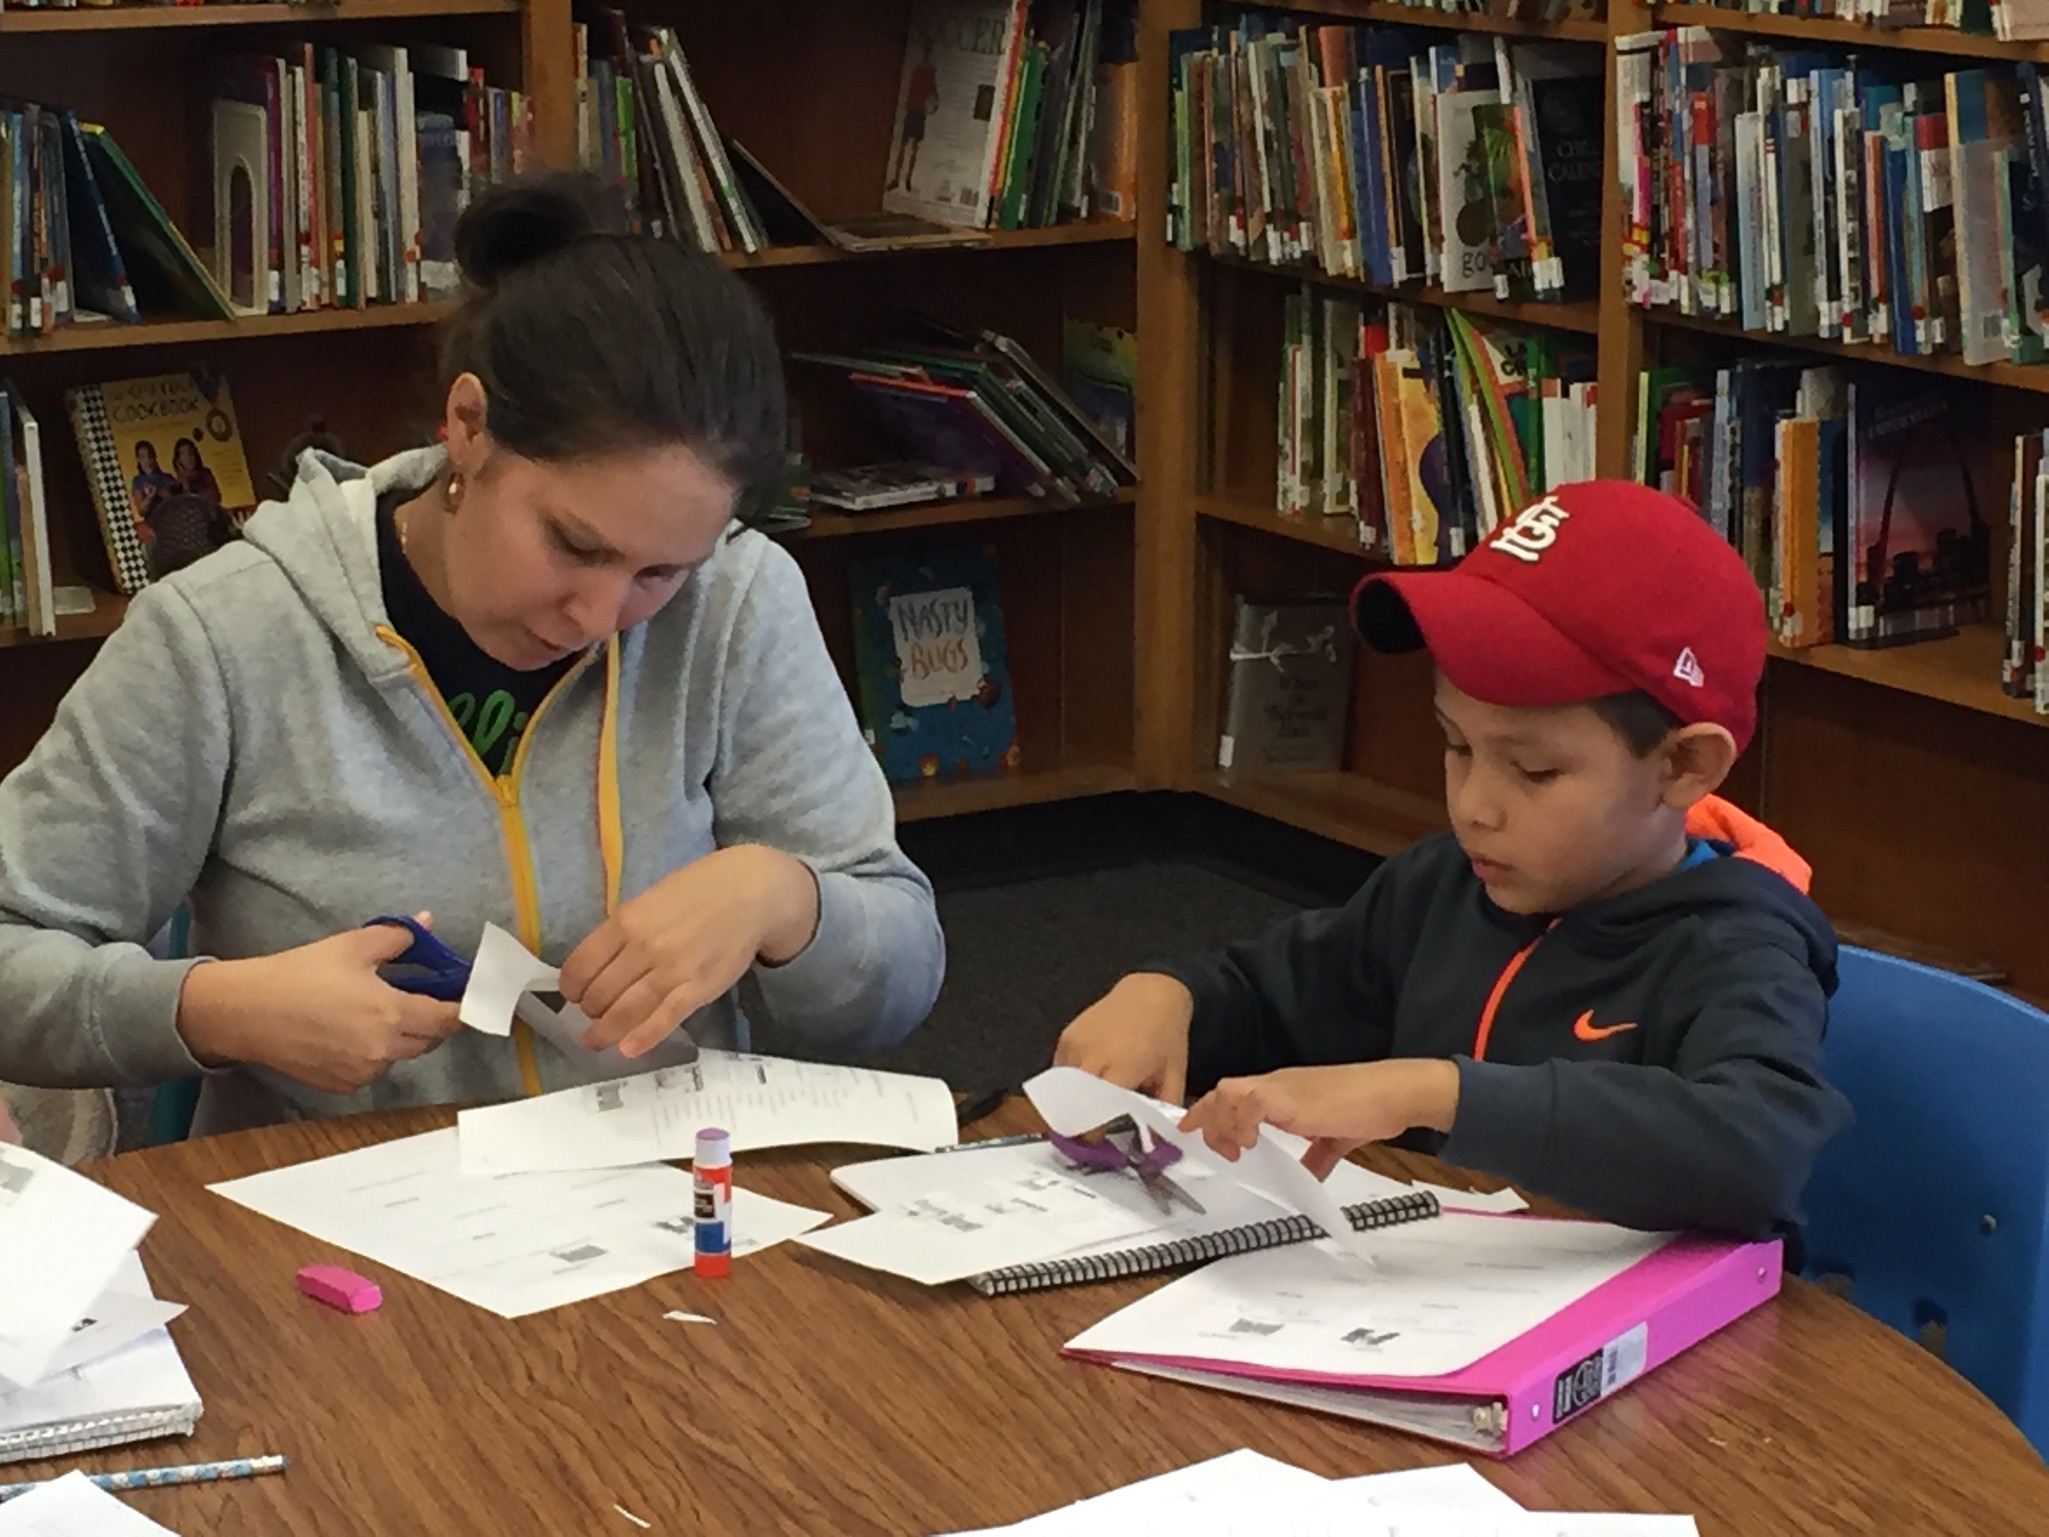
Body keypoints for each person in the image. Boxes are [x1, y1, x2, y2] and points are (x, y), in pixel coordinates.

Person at [0, 172, 945, 1134]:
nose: (600, 614)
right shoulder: (224, 635)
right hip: (337, 1222)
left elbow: (900, 979)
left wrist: (784, 901)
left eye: (660, 572)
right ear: (467, 427)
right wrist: (214, 1009)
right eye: (574, 546)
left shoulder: (739, 600)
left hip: (660, 1208)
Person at [1054, 481, 1852, 1238]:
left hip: (1657, 1354)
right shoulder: (1439, 885)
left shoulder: (1735, 949)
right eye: (1454, 743)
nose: (1473, 802)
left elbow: (1757, 1150)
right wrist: (1169, 995)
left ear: (1682, 768)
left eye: (1532, 770)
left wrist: (1434, 1090)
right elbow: (1273, 997)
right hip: (1433, 1304)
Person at [128, 440, 178, 528]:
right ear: (138, 459)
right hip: (154, 525)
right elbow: (141, 511)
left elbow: (179, 500)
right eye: (143, 457)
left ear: (155, 457)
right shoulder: (138, 481)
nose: (147, 461)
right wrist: (150, 497)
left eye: (150, 456)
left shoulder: (167, 478)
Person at [172, 437, 222, 506]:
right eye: (183, 454)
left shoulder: (205, 474)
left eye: (191, 453)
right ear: (178, 459)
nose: (188, 458)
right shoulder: (175, 482)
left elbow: (215, 497)